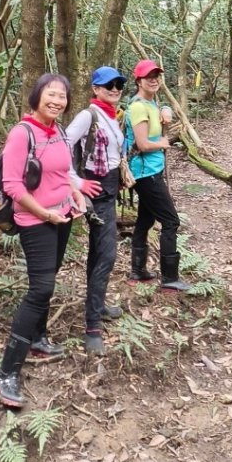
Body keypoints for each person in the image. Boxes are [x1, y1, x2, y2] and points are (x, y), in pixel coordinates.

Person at [0, 74, 99, 408]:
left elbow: (63, 174)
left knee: (48, 276)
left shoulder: (59, 133)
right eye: (51, 95)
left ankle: (37, 338)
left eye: (62, 96)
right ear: (37, 96)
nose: (57, 101)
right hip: (35, 220)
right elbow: (12, 186)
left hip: (62, 215)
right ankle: (6, 372)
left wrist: (76, 195)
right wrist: (44, 213)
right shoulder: (22, 133)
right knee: (41, 289)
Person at [66, 66, 127, 357]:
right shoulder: (87, 115)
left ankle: (98, 304)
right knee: (107, 253)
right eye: (108, 85)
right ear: (95, 88)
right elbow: (63, 144)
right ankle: (91, 327)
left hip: (111, 187)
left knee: (97, 251)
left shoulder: (114, 116)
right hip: (95, 190)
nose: (115, 89)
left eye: (119, 84)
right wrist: (76, 181)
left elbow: (115, 153)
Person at [124, 59, 191, 292]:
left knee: (145, 220)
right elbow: (142, 144)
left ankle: (138, 271)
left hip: (151, 171)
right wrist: (163, 141)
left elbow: (158, 117)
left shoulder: (150, 103)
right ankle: (170, 277)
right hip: (145, 173)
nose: (153, 80)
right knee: (171, 221)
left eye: (156, 76)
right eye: (148, 76)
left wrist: (166, 111)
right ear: (138, 80)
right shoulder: (138, 106)